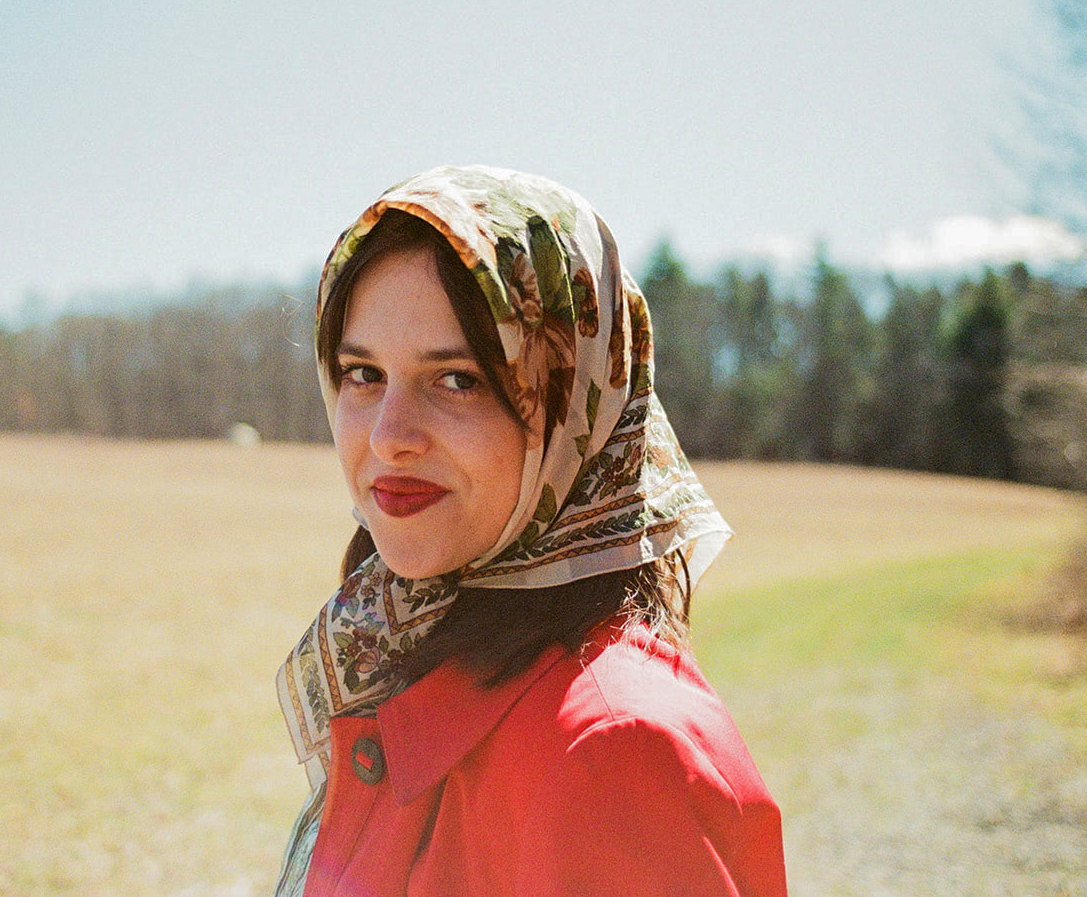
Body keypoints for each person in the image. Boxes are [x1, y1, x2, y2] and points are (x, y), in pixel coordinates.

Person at [274, 166, 786, 897]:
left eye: (458, 379)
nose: (388, 436)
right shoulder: (416, 650)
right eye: (363, 373)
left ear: (573, 404)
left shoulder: (612, 752)